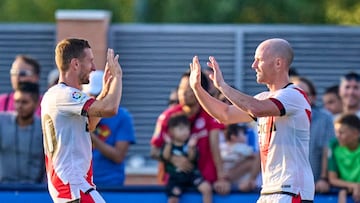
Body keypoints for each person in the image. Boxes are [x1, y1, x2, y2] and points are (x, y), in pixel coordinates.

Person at [188, 38, 315, 202]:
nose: (253, 65)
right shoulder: (264, 98)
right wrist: (197, 89)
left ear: (278, 63)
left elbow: (256, 108)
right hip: (271, 190)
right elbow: (225, 114)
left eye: (259, 60)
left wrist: (222, 86)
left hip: (291, 190)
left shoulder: (294, 95)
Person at [41, 38, 123, 203]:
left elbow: (90, 124)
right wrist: (118, 77)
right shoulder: (64, 94)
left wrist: (105, 90)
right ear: (75, 64)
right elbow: (111, 109)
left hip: (70, 188)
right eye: (90, 61)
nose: (93, 68)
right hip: (74, 187)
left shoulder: (59, 96)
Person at [150, 70, 231, 195]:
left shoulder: (211, 114)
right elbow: (154, 151)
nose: (183, 93)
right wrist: (174, 158)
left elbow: (215, 148)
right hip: (174, 183)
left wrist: (222, 178)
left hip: (205, 182)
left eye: (189, 89)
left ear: (200, 91)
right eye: (181, 88)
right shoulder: (167, 117)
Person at [82, 70, 136, 187]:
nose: (95, 100)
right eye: (91, 95)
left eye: (98, 95)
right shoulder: (79, 113)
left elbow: (118, 156)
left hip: (110, 184)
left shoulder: (122, 117)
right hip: (82, 183)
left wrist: (91, 135)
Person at [291, 76, 335, 194]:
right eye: (294, 93)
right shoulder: (279, 120)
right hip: (286, 188)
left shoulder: (325, 119)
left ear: (313, 98)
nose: (298, 98)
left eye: (303, 94)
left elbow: (328, 150)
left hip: (316, 187)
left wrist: (324, 178)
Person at [161, 113, 212, 203]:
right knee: (173, 197)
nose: (185, 132)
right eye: (181, 129)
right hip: (176, 178)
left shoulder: (190, 143)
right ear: (171, 131)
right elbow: (166, 157)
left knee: (207, 188)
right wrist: (168, 144)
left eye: (187, 128)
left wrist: (191, 147)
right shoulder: (169, 144)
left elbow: (192, 158)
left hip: (192, 175)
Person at [0, 81, 44, 183]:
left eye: (24, 102)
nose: (19, 106)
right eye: (16, 101)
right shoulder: (1, 122)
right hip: (4, 190)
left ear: (36, 103)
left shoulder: (43, 128)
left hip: (35, 191)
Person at [328, 113, 360, 203]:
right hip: (346, 190)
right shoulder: (334, 145)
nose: (337, 135)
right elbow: (332, 179)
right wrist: (353, 186)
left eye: (341, 132)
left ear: (356, 133)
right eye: (336, 132)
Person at [220, 123, 259, 191]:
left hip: (223, 177)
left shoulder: (221, 147)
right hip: (235, 178)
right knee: (254, 161)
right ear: (233, 137)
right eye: (243, 133)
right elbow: (256, 156)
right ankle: (250, 181)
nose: (246, 136)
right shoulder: (241, 147)